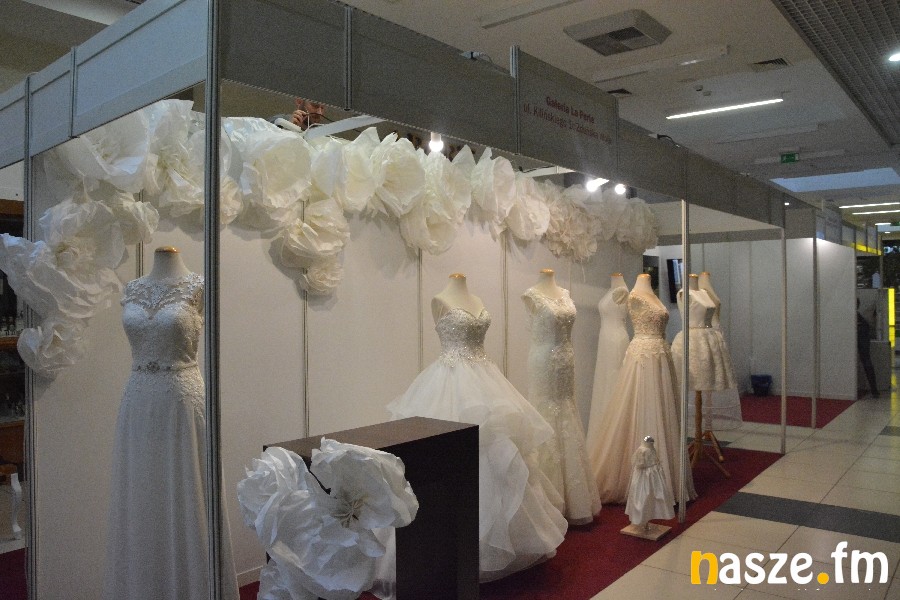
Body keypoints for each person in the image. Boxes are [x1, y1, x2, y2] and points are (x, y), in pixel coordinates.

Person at [857, 298, 879, 398]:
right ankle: (874, 390)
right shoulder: (862, 321)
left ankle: (874, 389)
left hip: (862, 342)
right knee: (867, 363)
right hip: (863, 343)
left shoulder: (861, 322)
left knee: (867, 363)